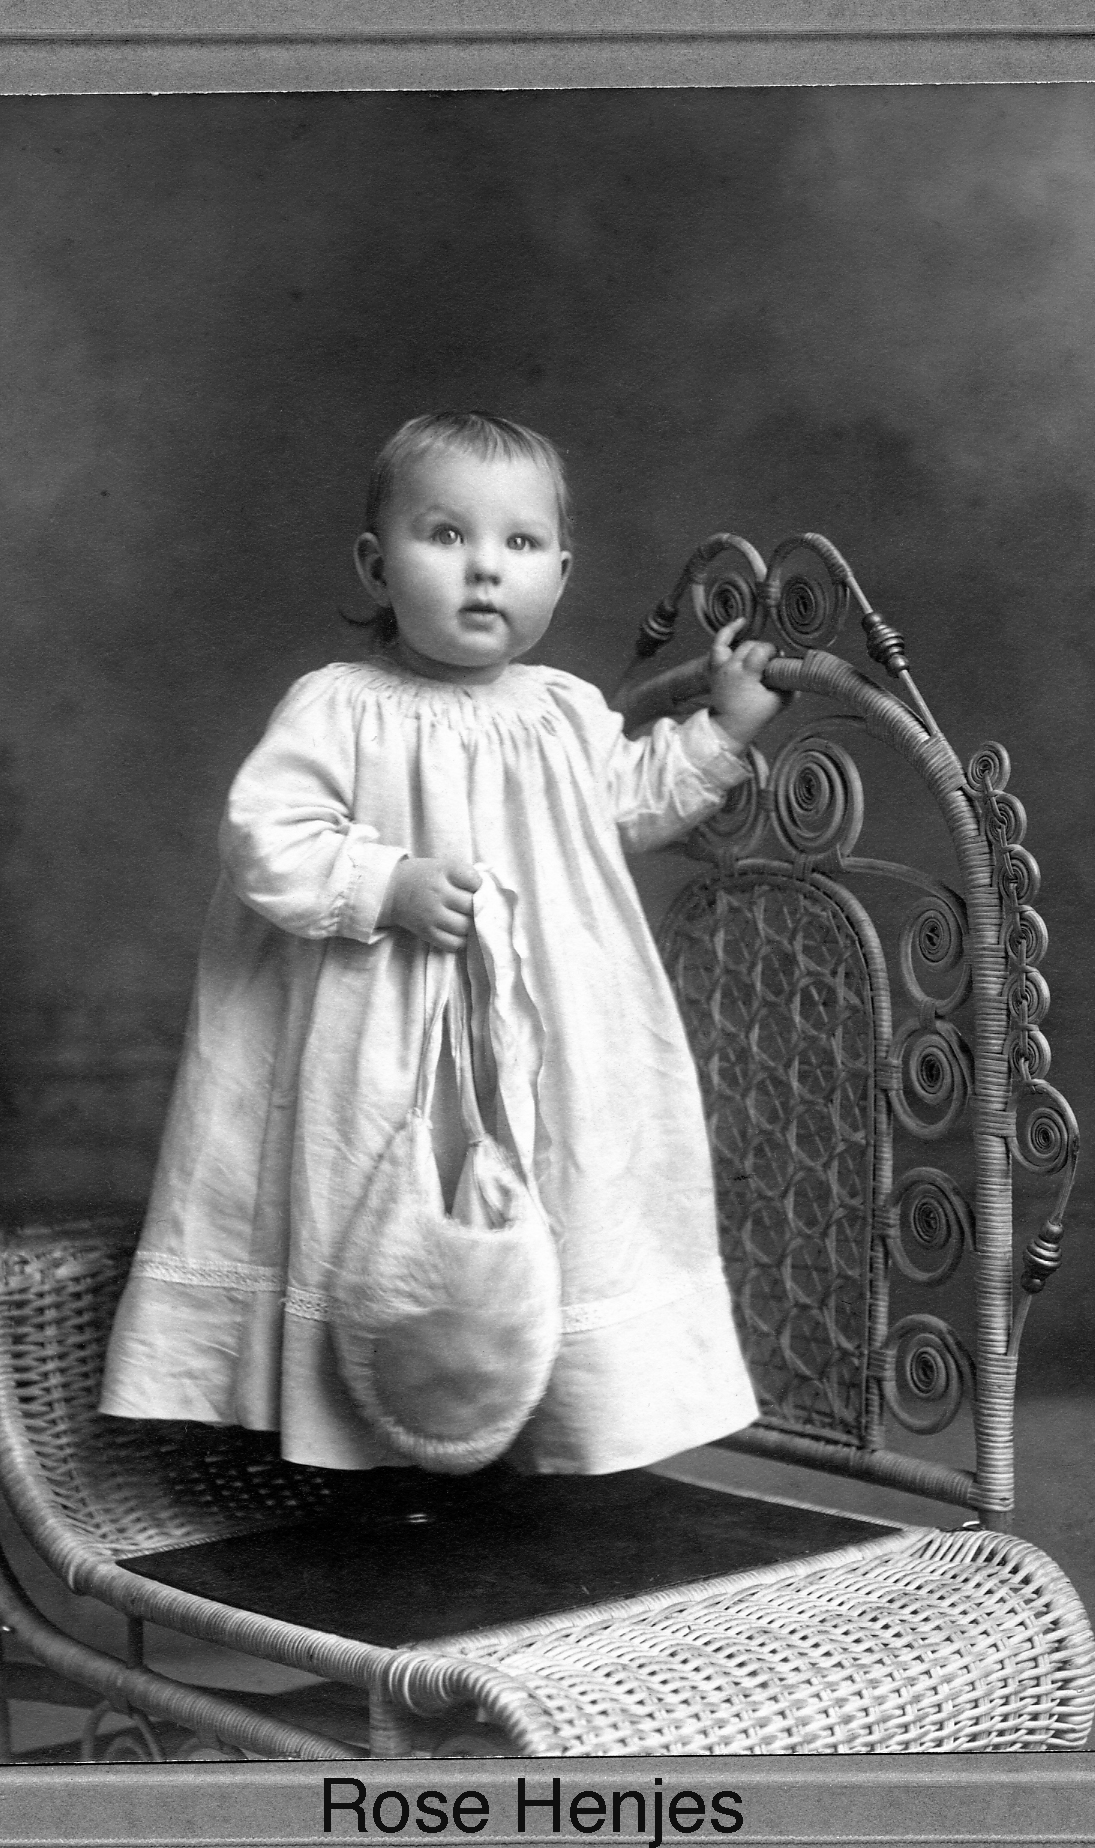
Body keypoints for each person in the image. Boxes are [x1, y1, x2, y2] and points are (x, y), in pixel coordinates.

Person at [100, 411, 787, 1474]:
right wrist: (386, 881)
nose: (482, 571)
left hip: (539, 1028)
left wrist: (724, 729)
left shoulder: (562, 712)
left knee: (560, 1195)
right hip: (376, 1031)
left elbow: (630, 803)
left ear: (558, 575)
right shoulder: (336, 708)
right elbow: (263, 836)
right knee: (372, 1207)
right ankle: (360, 1450)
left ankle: (540, 1430)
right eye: (444, 536)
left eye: (518, 546)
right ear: (378, 567)